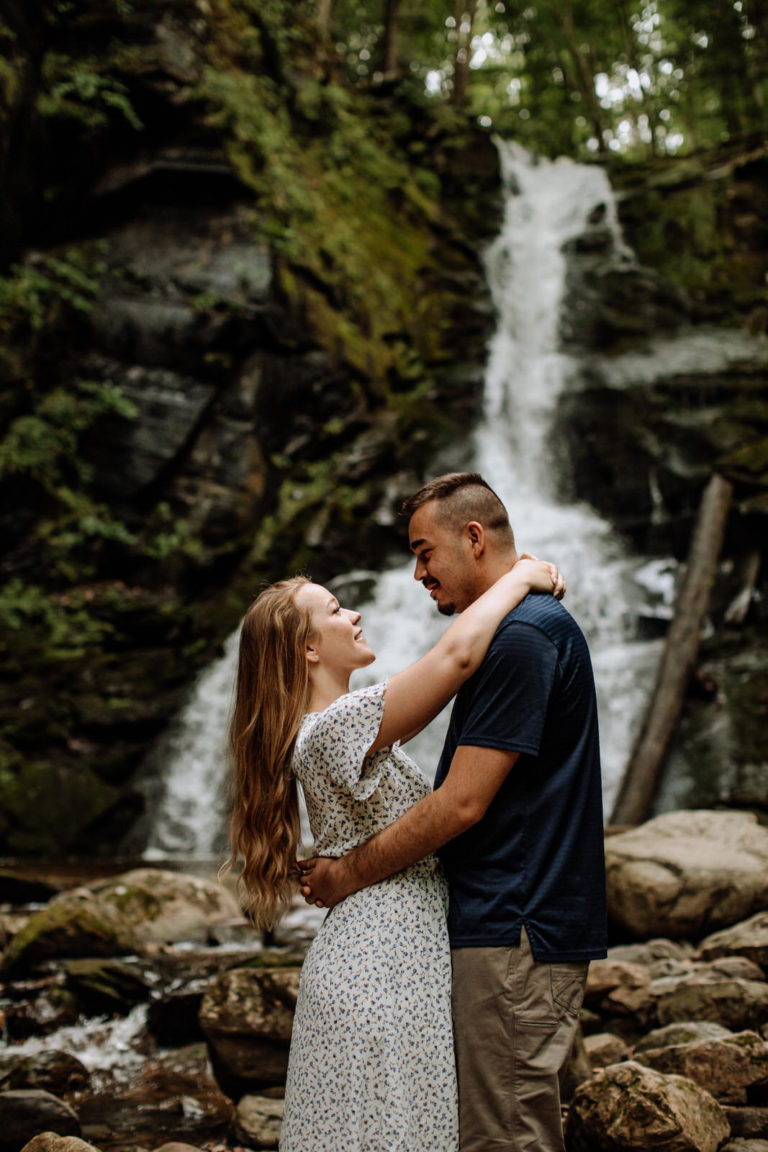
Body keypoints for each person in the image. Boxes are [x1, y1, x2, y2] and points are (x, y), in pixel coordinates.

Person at [299, 472, 608, 1152]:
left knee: (504, 1138)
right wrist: (523, 577)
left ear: (473, 538)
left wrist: (347, 873)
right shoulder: (517, 626)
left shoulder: (522, 635)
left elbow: (462, 803)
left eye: (424, 552)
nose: (416, 573)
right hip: (507, 923)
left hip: (515, 924)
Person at [225, 551, 565, 1152]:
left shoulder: (328, 729)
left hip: (389, 960)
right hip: (379, 971)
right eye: (334, 610)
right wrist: (518, 577)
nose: (353, 614)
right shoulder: (334, 727)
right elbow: (456, 658)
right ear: (307, 650)